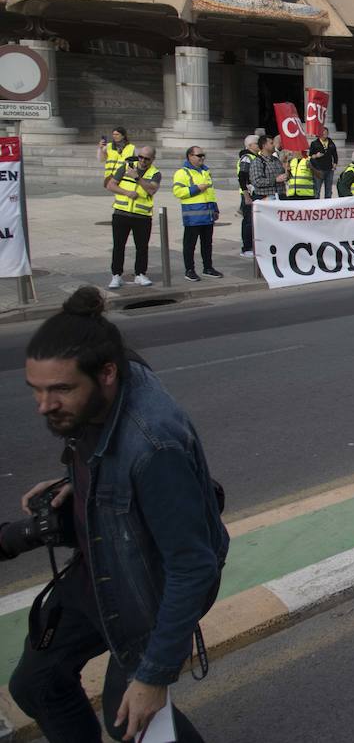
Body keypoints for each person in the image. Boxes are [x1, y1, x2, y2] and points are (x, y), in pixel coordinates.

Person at [6, 288, 229, 742]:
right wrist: (72, 480)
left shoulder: (154, 446)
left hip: (148, 588)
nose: (44, 405)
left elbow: (193, 566)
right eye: (37, 389)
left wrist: (153, 677)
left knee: (131, 720)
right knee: (37, 683)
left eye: (60, 390)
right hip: (99, 565)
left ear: (108, 374)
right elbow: (96, 446)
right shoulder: (105, 375)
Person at [104, 146, 161, 289]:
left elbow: (151, 190)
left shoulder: (155, 173)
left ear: (152, 159)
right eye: (140, 157)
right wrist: (126, 192)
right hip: (121, 213)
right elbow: (110, 185)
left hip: (142, 215)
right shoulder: (125, 167)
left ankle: (140, 274)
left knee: (142, 247)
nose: (142, 160)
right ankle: (116, 275)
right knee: (118, 246)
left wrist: (136, 177)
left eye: (146, 158)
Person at [171, 146, 221, 282]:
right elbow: (178, 192)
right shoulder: (182, 173)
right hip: (193, 216)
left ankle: (208, 268)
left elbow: (211, 192)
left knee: (207, 244)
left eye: (203, 155)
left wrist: (215, 208)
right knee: (190, 245)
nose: (202, 158)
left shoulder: (206, 171)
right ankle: (189, 270)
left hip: (208, 214)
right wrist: (196, 188)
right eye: (199, 155)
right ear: (190, 156)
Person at [235, 133, 259, 258]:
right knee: (248, 221)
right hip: (248, 194)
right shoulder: (247, 158)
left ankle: (251, 245)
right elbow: (242, 177)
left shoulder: (255, 157)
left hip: (253, 193)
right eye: (256, 143)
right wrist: (246, 194)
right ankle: (247, 247)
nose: (258, 145)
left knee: (252, 221)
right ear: (250, 145)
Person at [248, 133, 288, 204]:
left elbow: (283, 177)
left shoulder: (276, 160)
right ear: (264, 146)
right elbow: (256, 181)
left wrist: (287, 171)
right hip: (265, 198)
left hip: (281, 196)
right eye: (271, 143)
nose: (274, 145)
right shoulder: (257, 162)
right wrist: (275, 180)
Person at [308, 129, 339, 198]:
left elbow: (335, 154)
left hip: (329, 169)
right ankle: (316, 205)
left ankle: (327, 205)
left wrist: (335, 163)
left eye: (326, 133)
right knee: (317, 189)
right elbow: (310, 156)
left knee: (328, 190)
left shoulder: (331, 142)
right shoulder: (314, 143)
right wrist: (316, 155)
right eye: (323, 133)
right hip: (318, 170)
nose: (325, 134)